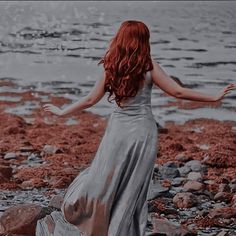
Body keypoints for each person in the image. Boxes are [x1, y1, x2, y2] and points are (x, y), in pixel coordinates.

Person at [36, 20, 236, 236]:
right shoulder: (149, 66)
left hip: (118, 132)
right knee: (133, 186)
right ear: (144, 40)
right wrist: (213, 97)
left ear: (120, 38)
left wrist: (62, 112)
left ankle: (96, 221)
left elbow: (90, 100)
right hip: (143, 133)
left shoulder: (110, 66)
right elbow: (177, 92)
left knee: (104, 178)